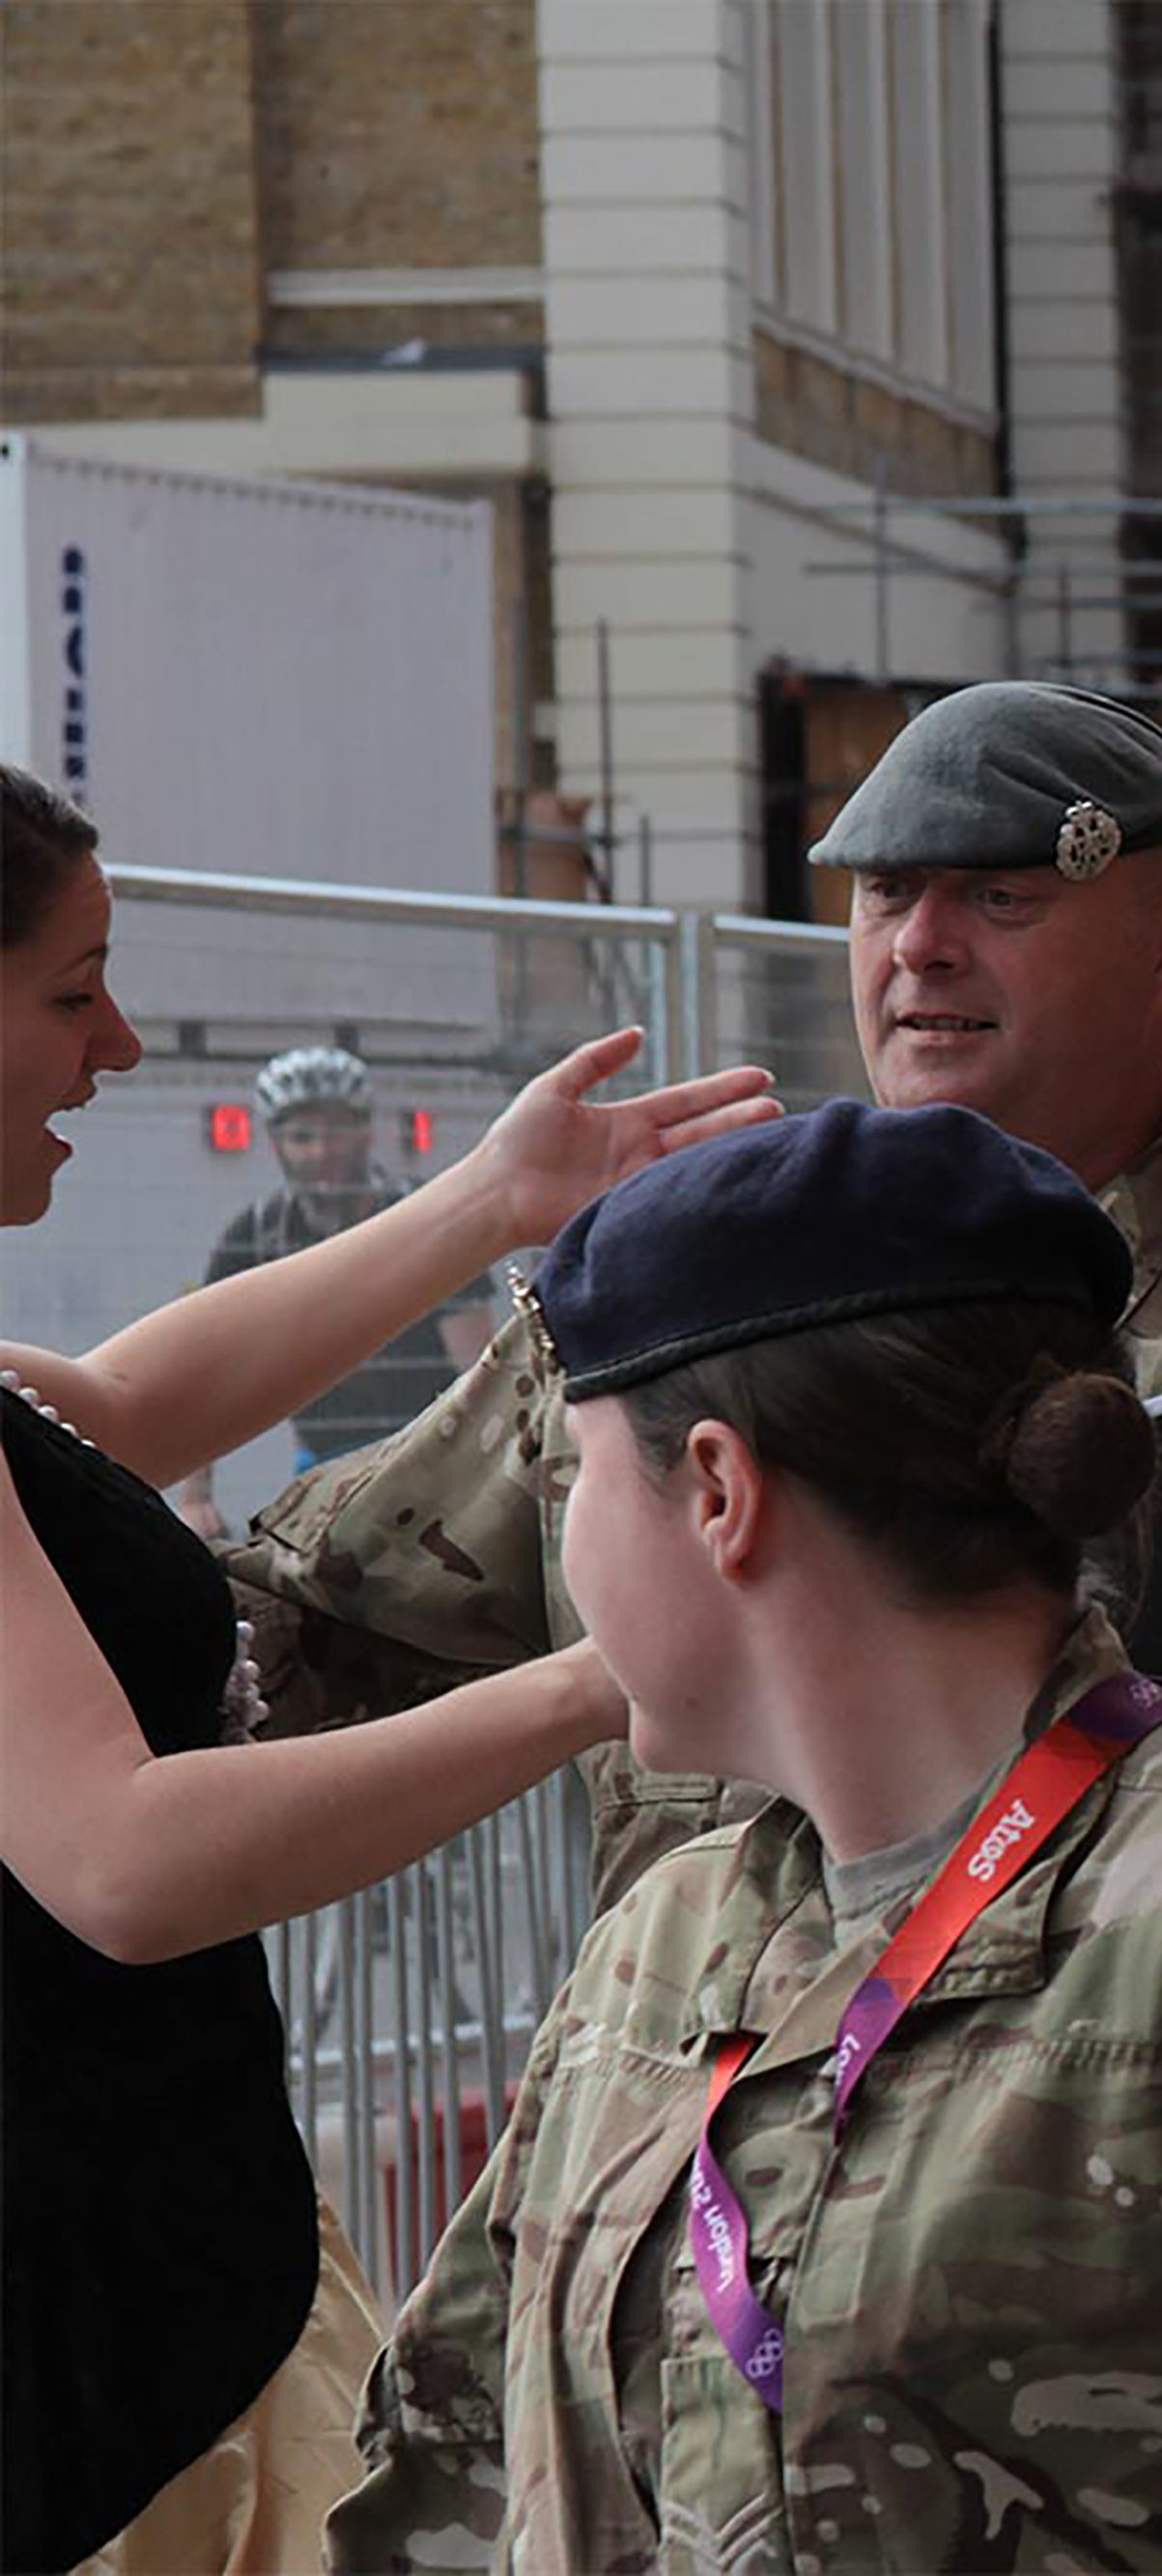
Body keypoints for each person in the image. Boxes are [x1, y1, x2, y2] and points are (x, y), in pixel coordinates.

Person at [319, 1100, 1162, 2570]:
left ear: (718, 1490)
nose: (563, 1540)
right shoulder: (669, 1938)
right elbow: (452, 2473)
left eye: (574, 1481)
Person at [228, 681, 1162, 1952]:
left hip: (1110, 2172)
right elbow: (297, 1630)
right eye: (886, 893)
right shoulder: (690, 1283)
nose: (923, 946)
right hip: (712, 2158)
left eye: (1000, 897)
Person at [1, 760, 776, 2573]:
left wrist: (498, 1200)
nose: (115, 1045)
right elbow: (121, 1858)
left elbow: (113, 1405)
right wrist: (605, 1680)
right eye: (66, 992)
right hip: (98, 2361)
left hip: (164, 2270)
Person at [170, 1046, 499, 1537]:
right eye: (303, 1136)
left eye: (338, 1130)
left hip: (429, 1453)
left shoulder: (420, 1216)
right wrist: (195, 1498)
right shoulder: (258, 1236)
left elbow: (479, 1366)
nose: (323, 1151)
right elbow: (207, 1363)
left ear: (366, 1132)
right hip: (324, 1463)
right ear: (276, 1142)